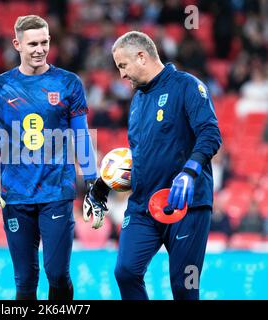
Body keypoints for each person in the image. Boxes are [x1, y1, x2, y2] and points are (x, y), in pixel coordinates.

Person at [0, 15, 97, 300]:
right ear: (17, 44)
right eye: (33, 44)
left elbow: (81, 137)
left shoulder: (68, 83)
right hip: (15, 195)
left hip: (57, 192)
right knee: (25, 281)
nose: (40, 49)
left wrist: (93, 183)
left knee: (56, 274)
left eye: (45, 42)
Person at [86, 31, 222, 300]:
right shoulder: (137, 100)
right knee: (125, 271)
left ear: (141, 56)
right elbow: (137, 154)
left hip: (186, 203)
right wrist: (102, 186)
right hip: (142, 205)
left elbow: (210, 133)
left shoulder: (187, 86)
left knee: (184, 288)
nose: (122, 75)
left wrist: (189, 171)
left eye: (123, 66)